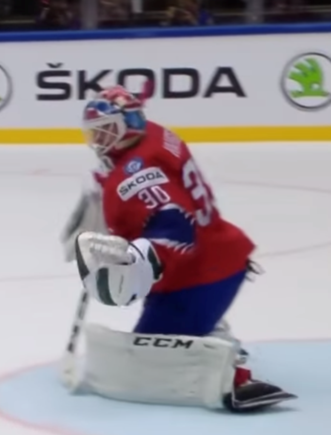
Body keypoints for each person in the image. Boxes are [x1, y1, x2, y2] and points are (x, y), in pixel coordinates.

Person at [59, 85, 295, 412]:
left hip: (197, 277)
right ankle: (210, 332)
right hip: (216, 254)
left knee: (146, 366)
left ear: (128, 125)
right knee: (158, 341)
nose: (98, 142)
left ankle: (232, 380)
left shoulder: (136, 176)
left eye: (105, 132)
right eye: (95, 134)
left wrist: (129, 263)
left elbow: (175, 230)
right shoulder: (154, 135)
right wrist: (107, 185)